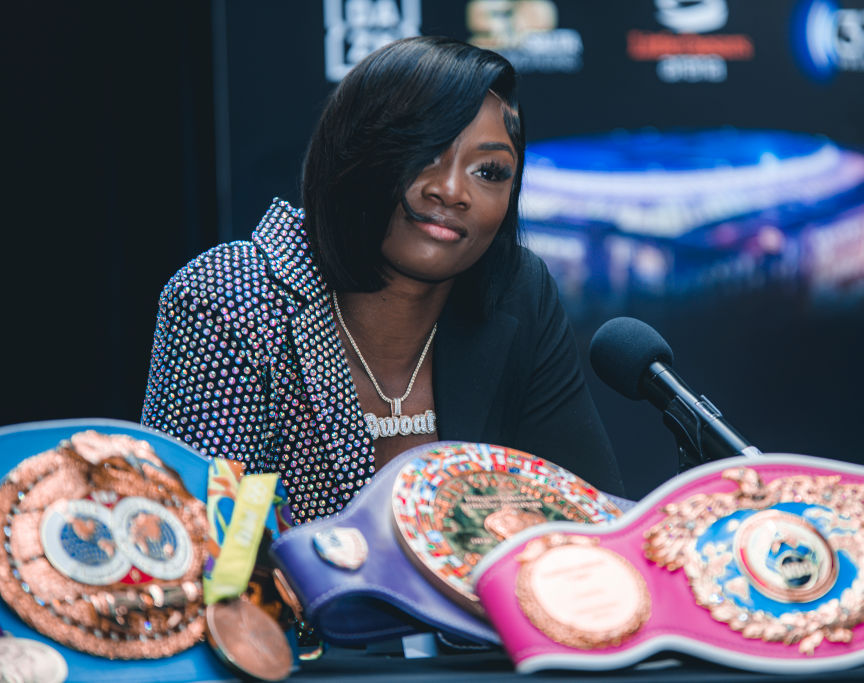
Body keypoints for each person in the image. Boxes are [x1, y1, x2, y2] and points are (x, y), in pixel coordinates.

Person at [142, 36, 623, 524]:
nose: (452, 190)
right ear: (354, 154)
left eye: (488, 170)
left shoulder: (518, 294)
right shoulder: (231, 295)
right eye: (427, 152)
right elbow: (193, 541)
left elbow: (587, 522)